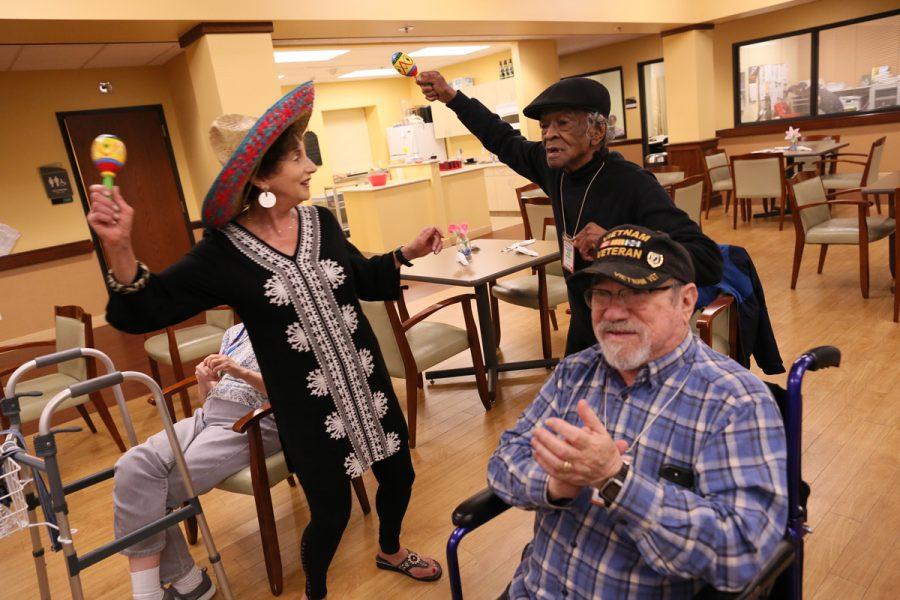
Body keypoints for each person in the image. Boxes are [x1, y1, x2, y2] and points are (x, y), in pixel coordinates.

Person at [88, 83, 443, 600]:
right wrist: (120, 248)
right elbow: (146, 306)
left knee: (400, 478)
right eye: (298, 156)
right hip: (306, 412)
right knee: (332, 513)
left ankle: (390, 549)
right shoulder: (222, 253)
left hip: (367, 388)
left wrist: (402, 254)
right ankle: (315, 590)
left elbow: (359, 278)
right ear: (261, 178)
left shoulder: (320, 220)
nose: (311, 166)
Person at [487, 225, 787, 599]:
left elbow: (743, 555)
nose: (612, 311)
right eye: (601, 294)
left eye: (636, 293)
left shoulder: (735, 401)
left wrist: (617, 482)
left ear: (686, 301)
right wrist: (556, 485)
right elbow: (503, 462)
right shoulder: (575, 372)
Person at [416, 72, 723, 355]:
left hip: (635, 332)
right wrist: (451, 97)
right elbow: (501, 138)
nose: (549, 134)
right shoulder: (556, 170)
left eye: (562, 123)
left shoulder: (632, 183)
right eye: (544, 126)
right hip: (584, 324)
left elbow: (707, 260)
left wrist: (617, 241)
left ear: (597, 131)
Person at [114, 324, 276, 600]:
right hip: (208, 416)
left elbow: (293, 395)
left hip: (251, 424)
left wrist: (240, 372)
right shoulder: (235, 332)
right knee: (132, 466)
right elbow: (209, 399)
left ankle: (152, 593)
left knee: (158, 489)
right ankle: (189, 582)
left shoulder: (287, 328)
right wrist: (205, 381)